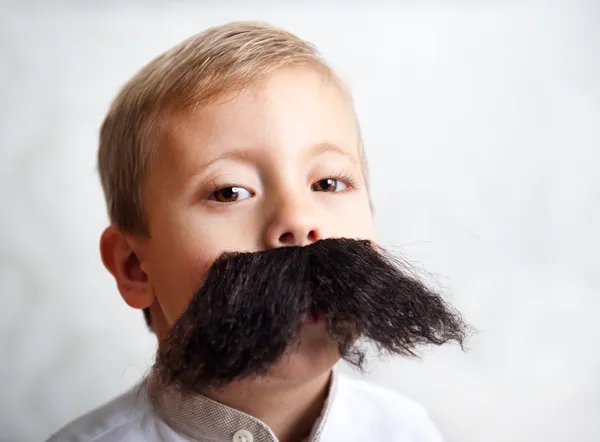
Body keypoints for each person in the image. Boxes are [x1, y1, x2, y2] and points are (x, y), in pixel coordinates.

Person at [48, 21, 469, 442]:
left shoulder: (410, 431)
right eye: (229, 192)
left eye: (327, 183)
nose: (300, 221)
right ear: (135, 268)